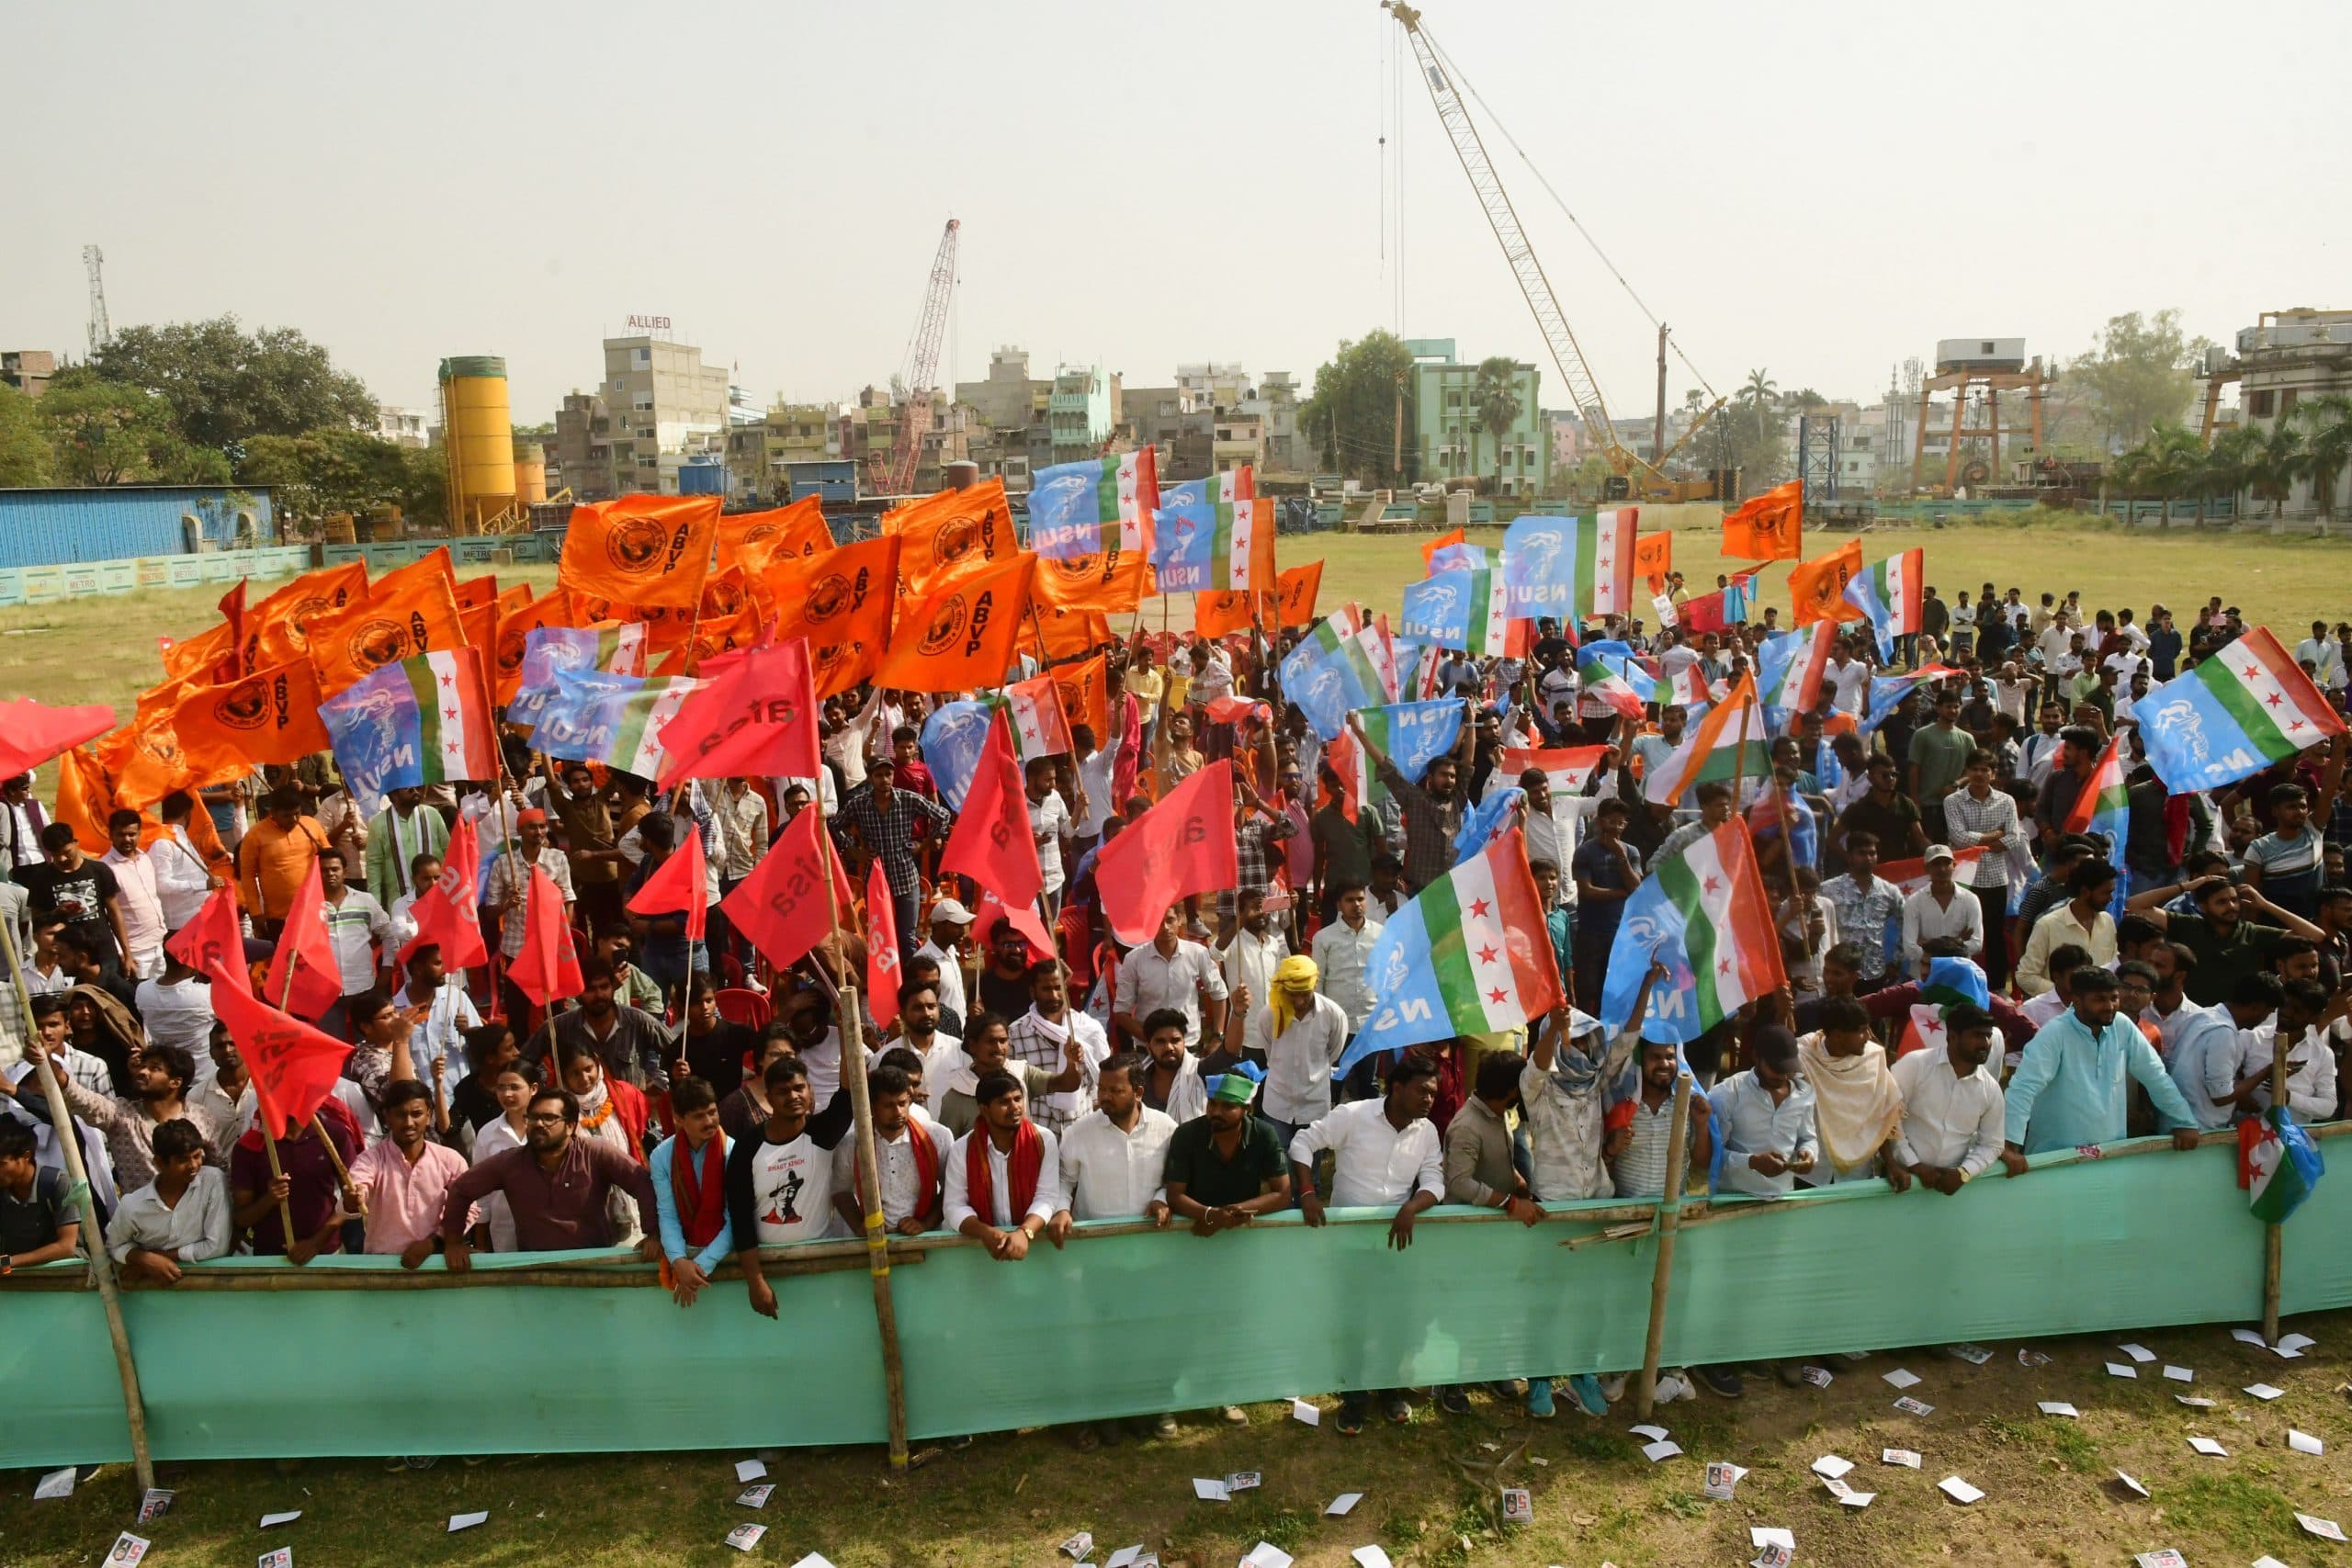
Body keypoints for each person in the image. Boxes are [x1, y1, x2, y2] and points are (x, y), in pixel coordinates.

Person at [1291, 1055, 1446, 1434]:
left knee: (1395, 1318)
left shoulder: (1426, 1131)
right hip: (1348, 1243)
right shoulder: (1353, 1115)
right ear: (1396, 1087)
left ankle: (1391, 1391)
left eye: (1433, 1093)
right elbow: (1301, 1143)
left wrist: (1412, 1206)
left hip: (1396, 1244)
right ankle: (1355, 1397)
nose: (1429, 1099)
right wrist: (1309, 1193)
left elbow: (1435, 1182)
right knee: (1355, 1321)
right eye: (1422, 1091)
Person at [1438, 1049, 1552, 1416]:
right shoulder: (1467, 1126)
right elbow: (1458, 1182)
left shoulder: (1498, 1114)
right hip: (1468, 1237)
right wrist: (1508, 1204)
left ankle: (1487, 1367)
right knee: (1462, 1309)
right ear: (1509, 1090)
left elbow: (1499, 1160)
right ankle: (1448, 1383)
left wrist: (1519, 1184)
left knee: (1495, 1303)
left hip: (1494, 1235)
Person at [438, 1086, 661, 1265]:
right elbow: (460, 1190)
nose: (538, 1124)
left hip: (594, 1266)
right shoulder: (509, 1162)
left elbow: (640, 1181)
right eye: (533, 1118)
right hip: (535, 1270)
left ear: (571, 1126)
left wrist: (653, 1235)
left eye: (549, 1118)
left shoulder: (596, 1152)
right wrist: (453, 1243)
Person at [2002, 967, 2203, 1158]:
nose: (2109, 1006)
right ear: (2077, 999)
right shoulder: (2053, 1035)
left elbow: (2155, 1076)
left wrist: (2184, 1121)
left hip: (2109, 1156)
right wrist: (2010, 1145)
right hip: (2055, 1159)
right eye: (2099, 999)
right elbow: (2023, 1089)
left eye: (2113, 998)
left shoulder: (2122, 1026)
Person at [727, 1055, 855, 1316]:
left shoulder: (823, 1133)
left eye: (799, 1088)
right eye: (783, 1092)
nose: (794, 1096)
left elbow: (849, 1090)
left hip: (820, 1263)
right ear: (769, 1098)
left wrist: (844, 1031)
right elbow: (740, 1218)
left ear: (810, 1091)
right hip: (769, 1267)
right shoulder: (747, 1147)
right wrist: (755, 1281)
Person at [25, 1035, 225, 1190]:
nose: (143, 1072)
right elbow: (79, 1097)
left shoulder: (201, 1118)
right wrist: (47, 1060)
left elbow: (219, 1167)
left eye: (154, 1068)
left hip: (197, 1222)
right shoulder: (121, 1115)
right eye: (143, 1066)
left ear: (176, 1082)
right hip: (144, 1225)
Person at [2125, 872, 2325, 1007]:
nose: (2231, 906)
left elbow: (2315, 935)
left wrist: (2265, 905)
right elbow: (2135, 905)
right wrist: (2184, 886)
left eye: (2234, 900)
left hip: (2241, 1021)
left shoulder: (2253, 933)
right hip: (2193, 1017)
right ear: (2203, 906)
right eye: (2221, 902)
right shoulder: (2188, 926)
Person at [943, 1069, 1066, 1269]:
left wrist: (1024, 1232)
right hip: (978, 1254)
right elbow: (953, 1206)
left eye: (1018, 1099)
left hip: (1033, 1250)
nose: (1015, 1107)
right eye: (1004, 1102)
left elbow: (1047, 1196)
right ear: (984, 1109)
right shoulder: (962, 1149)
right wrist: (986, 1233)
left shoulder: (1043, 1139)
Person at [1890, 1004, 2018, 1190]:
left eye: (1988, 1036)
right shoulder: (1915, 1065)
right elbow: (1888, 1118)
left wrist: (1964, 1172)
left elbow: (1992, 1145)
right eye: (1977, 1035)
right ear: (1951, 1037)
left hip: (1953, 1187)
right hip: (1901, 1180)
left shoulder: (1990, 1089)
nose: (1985, 1043)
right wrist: (1914, 1164)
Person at [832, 758, 953, 955]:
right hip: (876, 879)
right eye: (879, 775)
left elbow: (943, 815)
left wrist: (926, 843)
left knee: (907, 937)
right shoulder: (859, 804)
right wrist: (853, 851)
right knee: (882, 935)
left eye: (888, 774)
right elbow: (835, 825)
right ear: (871, 778)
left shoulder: (908, 799)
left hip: (905, 877)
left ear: (893, 775)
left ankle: (910, 981)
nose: (884, 780)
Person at [348, 1078, 472, 1268]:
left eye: (416, 1114)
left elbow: (470, 1208)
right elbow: (357, 1188)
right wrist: (353, 1199)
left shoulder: (449, 1159)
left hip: (436, 1263)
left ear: (429, 1115)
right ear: (387, 1116)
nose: (409, 1123)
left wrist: (433, 1242)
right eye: (400, 1115)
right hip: (382, 1267)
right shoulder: (370, 1159)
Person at [1351, 708, 1471, 892]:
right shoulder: (1414, 799)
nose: (1449, 781)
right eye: (1444, 775)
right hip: (1418, 889)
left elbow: (1468, 762)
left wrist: (1471, 721)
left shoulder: (1457, 800)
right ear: (1430, 778)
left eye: (1453, 777)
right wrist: (1359, 732)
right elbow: (1385, 765)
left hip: (1449, 887)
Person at [103, 1116, 231, 1282]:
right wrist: (141, 1259)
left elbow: (217, 1246)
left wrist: (154, 1259)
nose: (193, 1165)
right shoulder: (132, 1205)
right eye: (182, 1160)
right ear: (160, 1163)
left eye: (197, 1156)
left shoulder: (212, 1181)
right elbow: (115, 1246)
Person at [1796, 997, 1906, 1186]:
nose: (1869, 1037)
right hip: (1810, 1170)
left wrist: (1891, 1164)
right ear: (1838, 1035)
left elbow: (1883, 1116)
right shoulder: (1803, 1058)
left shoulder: (1874, 1058)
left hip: (1858, 1173)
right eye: (1862, 1031)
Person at [828, 1062, 943, 1238]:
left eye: (902, 1103)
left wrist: (925, 1224)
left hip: (926, 1240)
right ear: (871, 1107)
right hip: (873, 1244)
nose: (898, 1112)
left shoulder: (935, 1137)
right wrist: (861, 1227)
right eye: (888, 1106)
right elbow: (841, 1191)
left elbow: (952, 1189)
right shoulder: (852, 1145)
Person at [648, 1076, 734, 1308]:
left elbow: (735, 1219)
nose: (709, 1121)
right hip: (685, 1258)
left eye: (712, 1112)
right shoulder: (661, 1157)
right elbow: (667, 1213)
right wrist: (678, 1261)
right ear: (678, 1118)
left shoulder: (733, 1152)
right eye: (699, 1116)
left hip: (725, 1258)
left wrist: (699, 1266)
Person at [232, 1110, 362, 1262]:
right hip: (269, 1258)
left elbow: (352, 1201)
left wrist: (315, 1243)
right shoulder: (249, 1146)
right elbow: (242, 1218)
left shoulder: (333, 1133)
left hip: (325, 1253)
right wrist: (269, 1200)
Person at [1248, 954, 1351, 1144]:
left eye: (1304, 993)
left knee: (1311, 1166)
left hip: (1315, 1105)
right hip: (1278, 1104)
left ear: (1315, 984)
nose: (1299, 1001)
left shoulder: (1333, 1015)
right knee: (1279, 1166)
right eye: (1292, 994)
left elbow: (1333, 1053)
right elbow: (1269, 1052)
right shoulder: (1268, 1015)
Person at [1708, 1024, 1818, 1200]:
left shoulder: (1803, 1094)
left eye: (1788, 1070)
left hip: (1784, 1198)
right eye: (1776, 1069)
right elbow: (1711, 1155)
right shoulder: (1727, 1094)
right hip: (1734, 1199)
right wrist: (1751, 1162)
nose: (1782, 1077)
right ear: (1756, 1057)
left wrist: (1808, 1153)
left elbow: (1808, 1138)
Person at [1941, 750, 2021, 987]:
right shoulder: (1953, 801)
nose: (1979, 774)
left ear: (1993, 774)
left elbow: (2014, 838)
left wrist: (1979, 843)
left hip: (1995, 878)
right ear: (1966, 772)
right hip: (1964, 878)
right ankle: (1958, 983)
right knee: (1961, 934)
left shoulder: (2007, 801)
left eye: (1984, 769)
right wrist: (1993, 837)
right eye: (1974, 769)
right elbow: (1958, 837)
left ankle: (1996, 986)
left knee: (1994, 935)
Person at [934, 1010, 1082, 1138]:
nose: (998, 1047)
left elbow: (1067, 1084)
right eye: (991, 1042)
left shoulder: (1021, 1073)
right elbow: (949, 1145)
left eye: (1003, 1041)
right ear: (973, 1046)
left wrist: (1071, 1061)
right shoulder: (957, 1094)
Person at [1005, 959, 1109, 1134]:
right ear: (1033, 991)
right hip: (1037, 1134)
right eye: (1046, 989)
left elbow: (1102, 1083)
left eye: (1058, 987)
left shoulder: (1088, 1030)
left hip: (1082, 1134)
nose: (1054, 995)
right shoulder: (1015, 1034)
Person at [16, 820, 129, 973]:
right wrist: (57, 913)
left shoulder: (99, 870)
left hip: (104, 952)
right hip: (66, 959)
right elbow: (37, 923)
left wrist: (127, 954)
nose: (62, 859)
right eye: (55, 855)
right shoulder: (41, 879)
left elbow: (115, 913)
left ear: (75, 843)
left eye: (66, 852)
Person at [545, 958, 671, 1094]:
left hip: (630, 1110)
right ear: (579, 992)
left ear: (614, 987)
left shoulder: (638, 1021)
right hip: (580, 1110)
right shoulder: (561, 1026)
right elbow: (529, 1061)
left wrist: (660, 1086)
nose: (599, 995)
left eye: (604, 987)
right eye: (590, 989)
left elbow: (680, 1050)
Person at [1114, 905, 1229, 1051]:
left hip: (1189, 1046)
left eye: (1170, 920)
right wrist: (1151, 1038)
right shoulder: (1133, 959)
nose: (1165, 927)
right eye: (1158, 922)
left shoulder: (1197, 953)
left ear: (1179, 920)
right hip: (1148, 1050)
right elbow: (1120, 1011)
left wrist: (1217, 1036)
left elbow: (1219, 993)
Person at [235, 785, 327, 938]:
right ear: (273, 813)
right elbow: (248, 876)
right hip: (278, 917)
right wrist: (256, 912)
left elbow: (330, 860)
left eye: (297, 813)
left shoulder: (311, 825)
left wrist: (324, 851)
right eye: (287, 815)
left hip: (315, 909)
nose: (294, 819)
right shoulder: (254, 835)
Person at [1818, 831, 1905, 986]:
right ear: (1850, 856)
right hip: (1840, 974)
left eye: (1872, 853)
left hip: (1876, 973)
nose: (1868, 858)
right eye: (1862, 853)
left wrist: (1897, 961)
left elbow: (1906, 923)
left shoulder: (1889, 891)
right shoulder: (1828, 890)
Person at [1, 1117, 83, 1275]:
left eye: (1, 1164)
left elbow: (67, 1246)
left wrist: (8, 1262)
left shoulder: (56, 1183)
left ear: (25, 1156)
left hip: (65, 1276)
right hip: (16, 1279)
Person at [98, 809, 167, 978]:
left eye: (132, 834)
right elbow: (105, 915)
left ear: (139, 833)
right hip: (136, 954)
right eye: (121, 835)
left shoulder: (145, 858)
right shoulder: (105, 869)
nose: (127, 839)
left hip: (161, 944)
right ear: (110, 834)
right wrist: (123, 953)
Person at [1899, 845, 1984, 978]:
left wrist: (1929, 948)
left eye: (1946, 863)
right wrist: (1957, 942)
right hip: (1923, 978)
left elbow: (1977, 944)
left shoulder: (1970, 900)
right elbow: (1910, 949)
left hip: (1959, 975)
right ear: (1926, 868)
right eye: (1936, 864)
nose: (1942, 869)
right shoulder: (1914, 902)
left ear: (1954, 865)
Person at [364, 786, 448, 909]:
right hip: (399, 905)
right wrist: (375, 906)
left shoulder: (432, 814)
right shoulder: (378, 823)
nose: (415, 791)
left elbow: (449, 851)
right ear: (393, 795)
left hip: (439, 899)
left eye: (416, 787)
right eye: (408, 789)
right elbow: (374, 866)